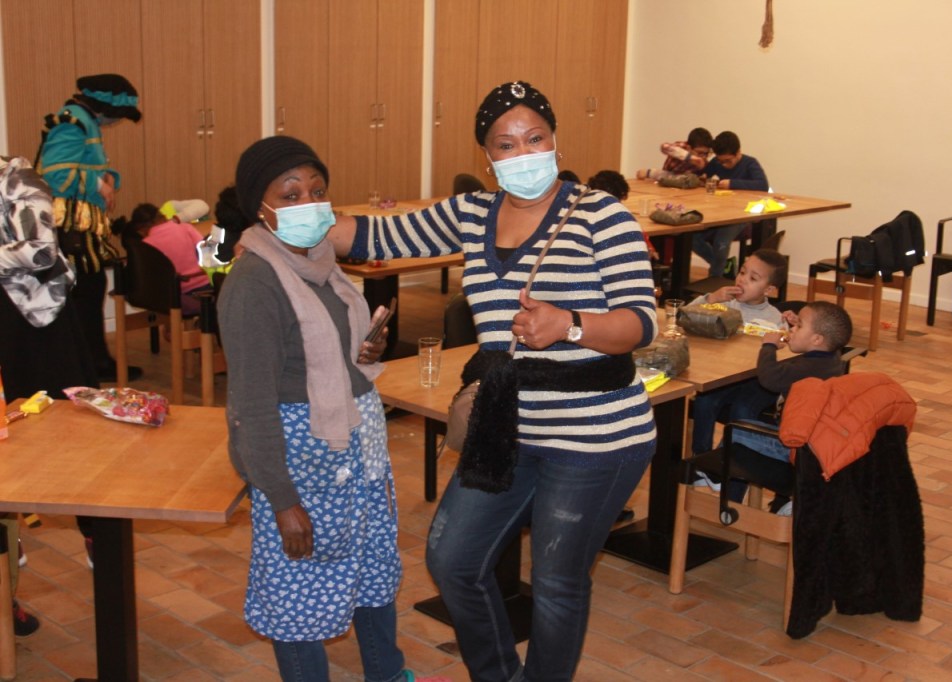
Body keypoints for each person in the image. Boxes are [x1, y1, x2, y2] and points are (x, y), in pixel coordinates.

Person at [327, 80, 659, 682]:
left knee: (556, 581)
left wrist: (570, 324)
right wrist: (285, 218)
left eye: (535, 138)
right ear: (487, 156)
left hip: (597, 435)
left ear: (555, 141)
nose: (523, 153)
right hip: (506, 425)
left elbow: (641, 322)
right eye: (506, 144)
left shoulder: (600, 215)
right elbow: (375, 235)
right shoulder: (471, 212)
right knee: (452, 560)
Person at [220, 136, 449, 682]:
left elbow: (322, 353)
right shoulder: (254, 283)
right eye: (291, 194)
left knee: (371, 571)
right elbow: (250, 405)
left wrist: (364, 349)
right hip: (303, 466)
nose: (309, 203)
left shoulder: (322, 263)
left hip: (356, 459)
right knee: (299, 591)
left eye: (317, 191)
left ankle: (386, 673)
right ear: (260, 206)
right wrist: (282, 502)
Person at [0, 155, 102, 636]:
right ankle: (5, 589)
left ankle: (99, 537)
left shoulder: (18, 180)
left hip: (34, 326)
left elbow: (41, 252)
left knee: (76, 439)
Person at [35, 73, 143, 383]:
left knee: (89, 292)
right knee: (85, 293)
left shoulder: (84, 121)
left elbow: (88, 165)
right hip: (71, 228)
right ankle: (90, 364)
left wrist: (107, 178)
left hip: (82, 226)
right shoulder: (73, 123)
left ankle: (94, 361)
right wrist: (97, 183)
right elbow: (56, 176)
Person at [708, 301, 855, 511]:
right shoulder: (831, 358)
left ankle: (716, 475)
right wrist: (801, 327)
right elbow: (823, 335)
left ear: (816, 339)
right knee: (745, 420)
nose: (792, 329)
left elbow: (769, 378)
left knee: (736, 430)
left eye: (799, 326)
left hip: (790, 447)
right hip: (814, 442)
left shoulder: (805, 367)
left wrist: (768, 346)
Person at [688, 249, 787, 467]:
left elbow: (783, 356)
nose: (742, 280)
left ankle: (729, 466)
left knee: (742, 410)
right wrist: (711, 298)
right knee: (705, 401)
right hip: (725, 376)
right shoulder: (723, 304)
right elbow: (684, 317)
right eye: (742, 272)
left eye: (753, 278)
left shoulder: (775, 318)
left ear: (769, 290)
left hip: (758, 381)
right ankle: (701, 461)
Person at [693, 130, 770, 277]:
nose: (724, 165)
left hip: (740, 215)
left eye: (728, 161)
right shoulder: (717, 163)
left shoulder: (750, 163)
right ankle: (724, 266)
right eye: (721, 161)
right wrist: (702, 178)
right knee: (692, 237)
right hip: (719, 213)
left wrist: (732, 183)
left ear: (738, 152)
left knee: (721, 242)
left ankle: (715, 279)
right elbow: (702, 175)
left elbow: (763, 185)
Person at [117, 200, 213, 316]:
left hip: (176, 294)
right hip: (206, 287)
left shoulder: (147, 244)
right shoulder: (186, 228)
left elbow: (149, 278)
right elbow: (209, 254)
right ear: (162, 216)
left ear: (141, 229)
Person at [635, 126, 712, 181]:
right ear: (689, 148)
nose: (703, 156)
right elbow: (664, 147)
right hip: (668, 178)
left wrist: (702, 168)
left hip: (684, 183)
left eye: (706, 153)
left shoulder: (704, 160)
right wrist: (690, 157)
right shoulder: (681, 147)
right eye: (700, 153)